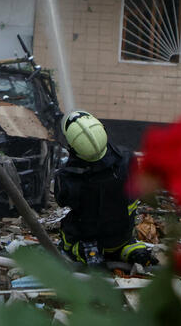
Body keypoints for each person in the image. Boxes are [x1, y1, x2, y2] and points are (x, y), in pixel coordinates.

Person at [56, 110, 153, 268]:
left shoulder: (68, 177)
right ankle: (129, 249)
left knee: (68, 237)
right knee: (122, 234)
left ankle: (84, 252)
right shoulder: (128, 158)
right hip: (121, 234)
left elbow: (63, 201)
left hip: (89, 236)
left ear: (73, 147)